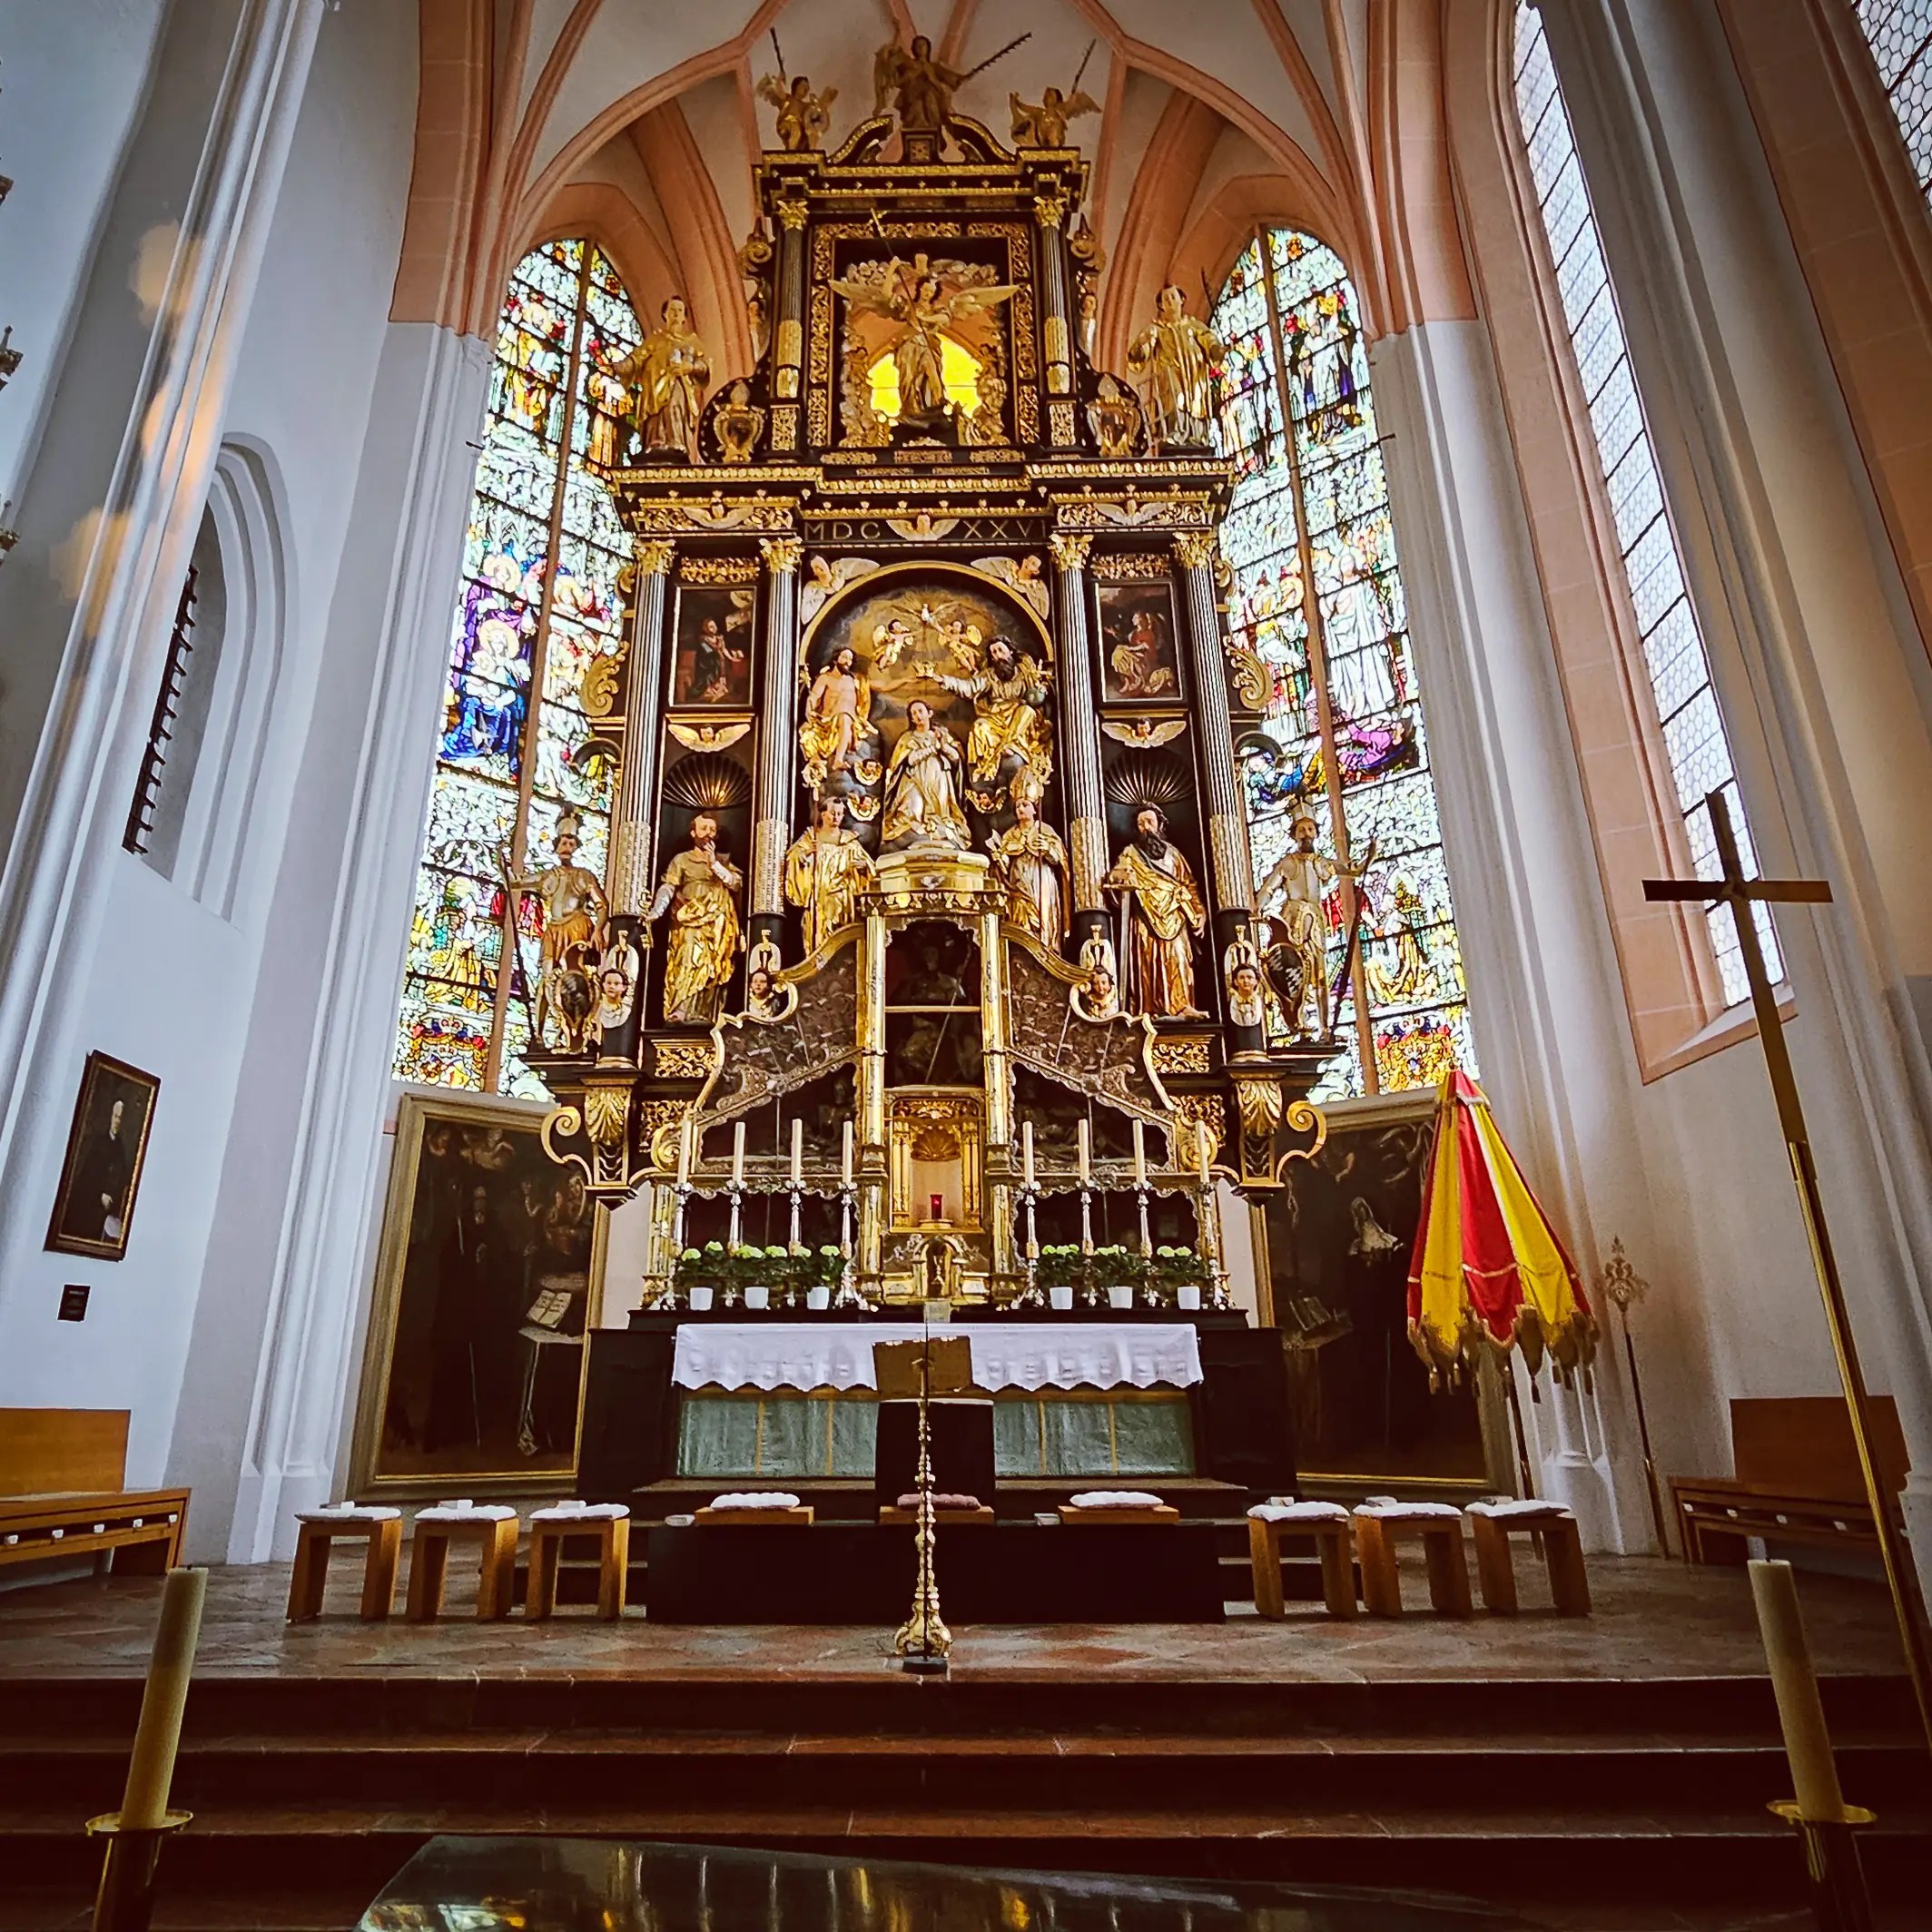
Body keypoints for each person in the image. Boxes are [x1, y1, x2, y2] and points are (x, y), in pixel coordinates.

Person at [500, 813, 608, 1046]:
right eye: (563, 843)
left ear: (576, 846)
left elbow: (602, 905)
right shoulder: (546, 877)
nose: (567, 847)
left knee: (580, 980)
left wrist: (598, 931)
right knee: (547, 979)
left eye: (571, 843)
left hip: (578, 926)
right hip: (554, 932)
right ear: (556, 846)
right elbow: (515, 882)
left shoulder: (584, 876)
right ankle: (538, 1036)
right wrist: (503, 862)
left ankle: (581, 1031)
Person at [1258, 811, 1364, 1040]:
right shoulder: (1288, 863)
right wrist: (1257, 910)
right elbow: (1269, 888)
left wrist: (1368, 859)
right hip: (1293, 919)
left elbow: (1349, 868)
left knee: (1320, 974)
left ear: (1316, 833)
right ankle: (1300, 1027)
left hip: (1315, 920)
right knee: (1296, 973)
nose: (1306, 834)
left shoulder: (1321, 863)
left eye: (1310, 829)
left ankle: (1325, 1029)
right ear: (1294, 835)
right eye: (1301, 830)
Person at [1104, 804, 1208, 1019]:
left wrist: (1200, 913)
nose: (1146, 828)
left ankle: (1182, 1005)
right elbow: (1114, 880)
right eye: (1141, 824)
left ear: (1160, 825)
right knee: (1147, 960)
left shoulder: (1174, 855)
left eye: (1150, 822)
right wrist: (1119, 877)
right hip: (1144, 916)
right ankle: (1148, 1009)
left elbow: (1189, 885)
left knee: (1178, 958)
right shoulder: (1130, 854)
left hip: (1174, 915)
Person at [646, 813, 744, 1024]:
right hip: (689, 918)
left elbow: (736, 884)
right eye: (704, 829)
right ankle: (681, 1008)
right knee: (688, 956)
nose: (708, 834)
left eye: (712, 830)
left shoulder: (722, 861)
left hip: (718, 921)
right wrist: (657, 910)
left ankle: (708, 1013)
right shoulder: (681, 860)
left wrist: (714, 865)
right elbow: (669, 886)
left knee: (715, 965)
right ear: (693, 833)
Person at [927, 635, 1052, 786]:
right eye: (993, 653)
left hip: (1019, 717)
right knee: (979, 726)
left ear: (1010, 651)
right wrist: (943, 680)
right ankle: (982, 767)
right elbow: (970, 687)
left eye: (1000, 650)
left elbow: (1039, 689)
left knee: (1027, 711)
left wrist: (1043, 689)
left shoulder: (1024, 671)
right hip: (996, 718)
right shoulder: (989, 675)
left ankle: (1010, 746)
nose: (997, 656)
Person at [608, 296, 711, 459]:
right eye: (672, 310)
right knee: (655, 416)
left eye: (680, 310)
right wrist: (622, 366)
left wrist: (689, 367)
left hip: (678, 383)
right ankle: (655, 442)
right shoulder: (655, 339)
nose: (676, 314)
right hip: (653, 387)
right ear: (665, 315)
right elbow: (638, 358)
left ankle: (675, 441)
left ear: (684, 317)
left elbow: (705, 366)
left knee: (674, 408)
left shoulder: (692, 342)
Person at [1126, 284, 1224, 452]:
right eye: (1165, 299)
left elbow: (1210, 341)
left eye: (1173, 297)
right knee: (1174, 401)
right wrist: (1140, 347)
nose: (1170, 301)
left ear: (1182, 299)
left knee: (1196, 404)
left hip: (1194, 376)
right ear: (1161, 306)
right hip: (1169, 376)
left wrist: (1216, 349)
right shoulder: (1155, 330)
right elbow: (1139, 355)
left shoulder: (1195, 326)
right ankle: (1175, 433)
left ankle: (1198, 436)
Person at [784, 793, 877, 952]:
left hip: (844, 899)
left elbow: (871, 869)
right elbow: (793, 859)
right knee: (820, 935)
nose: (837, 817)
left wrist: (863, 869)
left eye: (840, 814)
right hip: (820, 898)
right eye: (833, 813)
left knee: (843, 936)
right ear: (823, 813)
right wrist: (806, 855)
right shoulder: (811, 837)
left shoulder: (849, 841)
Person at [986, 773, 1069, 951]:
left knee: (1043, 918)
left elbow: (1059, 861)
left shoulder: (1045, 830)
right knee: (1019, 920)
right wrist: (1001, 861)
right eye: (1017, 806)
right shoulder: (1010, 835)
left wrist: (1047, 849)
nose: (1020, 809)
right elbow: (1003, 870)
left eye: (1025, 805)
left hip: (1041, 882)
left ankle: (1048, 949)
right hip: (1017, 888)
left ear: (1034, 808)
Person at [880, 700, 971, 851]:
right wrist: (932, 748)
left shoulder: (942, 735)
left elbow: (956, 758)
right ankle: (913, 834)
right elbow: (908, 760)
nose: (918, 715)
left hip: (939, 777)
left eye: (920, 711)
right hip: (913, 780)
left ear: (930, 713)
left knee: (941, 811)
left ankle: (939, 829)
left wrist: (943, 746)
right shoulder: (907, 738)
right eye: (913, 714)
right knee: (913, 811)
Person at [798, 645, 877, 785]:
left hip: (850, 723)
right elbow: (814, 697)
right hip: (826, 722)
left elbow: (880, 687)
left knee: (845, 716)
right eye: (844, 657)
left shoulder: (855, 681)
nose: (848, 661)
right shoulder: (826, 678)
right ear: (835, 660)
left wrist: (905, 681)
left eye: (850, 659)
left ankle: (838, 760)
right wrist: (809, 714)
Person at [72, 1096, 134, 1244]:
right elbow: (88, 1176)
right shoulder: (99, 1142)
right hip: (89, 1203)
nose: (117, 1121)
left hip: (108, 1208)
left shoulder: (120, 1146)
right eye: (116, 1117)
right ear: (111, 1116)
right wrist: (100, 1194)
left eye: (121, 1118)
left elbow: (122, 1175)